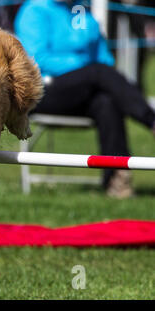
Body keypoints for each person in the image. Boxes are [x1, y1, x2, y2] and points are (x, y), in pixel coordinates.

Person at [15, 0, 155, 198]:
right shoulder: (34, 10)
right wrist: (84, 67)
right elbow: (36, 59)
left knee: (106, 101)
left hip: (85, 86)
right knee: (98, 73)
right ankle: (151, 120)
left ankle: (116, 178)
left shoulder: (83, 12)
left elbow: (105, 59)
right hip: (42, 90)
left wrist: (90, 71)